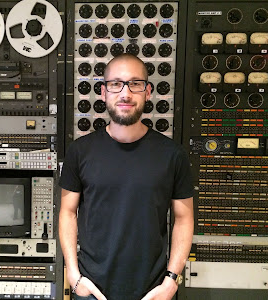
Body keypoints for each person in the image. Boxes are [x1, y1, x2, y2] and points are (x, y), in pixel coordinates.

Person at [59, 53, 194, 300]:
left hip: (153, 291)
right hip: (92, 290)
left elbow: (184, 218)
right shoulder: (80, 151)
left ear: (147, 91)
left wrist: (172, 281)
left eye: (135, 83)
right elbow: (67, 212)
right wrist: (73, 276)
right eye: (116, 84)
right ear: (103, 92)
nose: (125, 93)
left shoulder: (173, 154)